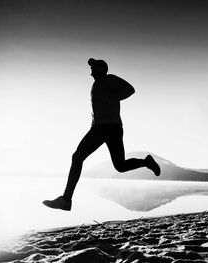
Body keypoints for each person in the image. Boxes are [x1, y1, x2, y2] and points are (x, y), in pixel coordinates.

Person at [43, 58, 161, 211]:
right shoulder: (96, 84)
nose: (91, 68)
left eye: (94, 66)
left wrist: (114, 96)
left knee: (77, 157)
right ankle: (146, 162)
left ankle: (66, 199)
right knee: (120, 165)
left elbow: (130, 89)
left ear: (101, 69)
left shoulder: (109, 79)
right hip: (110, 128)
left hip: (104, 128)